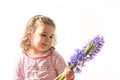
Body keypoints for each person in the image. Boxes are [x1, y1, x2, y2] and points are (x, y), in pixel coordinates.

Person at [14, 15, 74, 80]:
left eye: (51, 36)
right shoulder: (22, 58)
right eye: (44, 35)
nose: (48, 40)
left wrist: (69, 77)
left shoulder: (55, 57)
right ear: (30, 35)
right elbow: (16, 77)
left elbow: (64, 75)